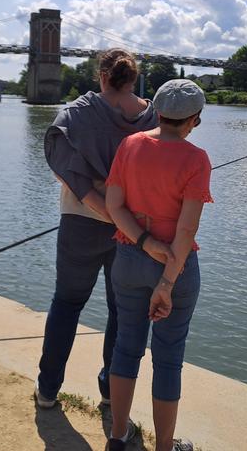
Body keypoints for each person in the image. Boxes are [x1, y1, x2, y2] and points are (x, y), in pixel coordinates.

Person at [35, 48, 158, 409]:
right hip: (133, 230)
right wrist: (121, 218)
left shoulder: (76, 113)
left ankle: (47, 390)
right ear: (133, 79)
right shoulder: (152, 116)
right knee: (122, 311)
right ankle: (110, 395)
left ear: (102, 76)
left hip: (81, 225)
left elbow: (62, 168)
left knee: (67, 303)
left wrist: (101, 207)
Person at [104, 79, 213, 451]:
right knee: (168, 360)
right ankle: (165, 447)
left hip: (129, 258)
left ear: (158, 112)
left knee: (125, 347)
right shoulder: (196, 159)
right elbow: (186, 230)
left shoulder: (130, 145)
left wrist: (144, 242)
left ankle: (118, 436)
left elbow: (114, 206)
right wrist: (166, 283)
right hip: (176, 269)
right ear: (194, 120)